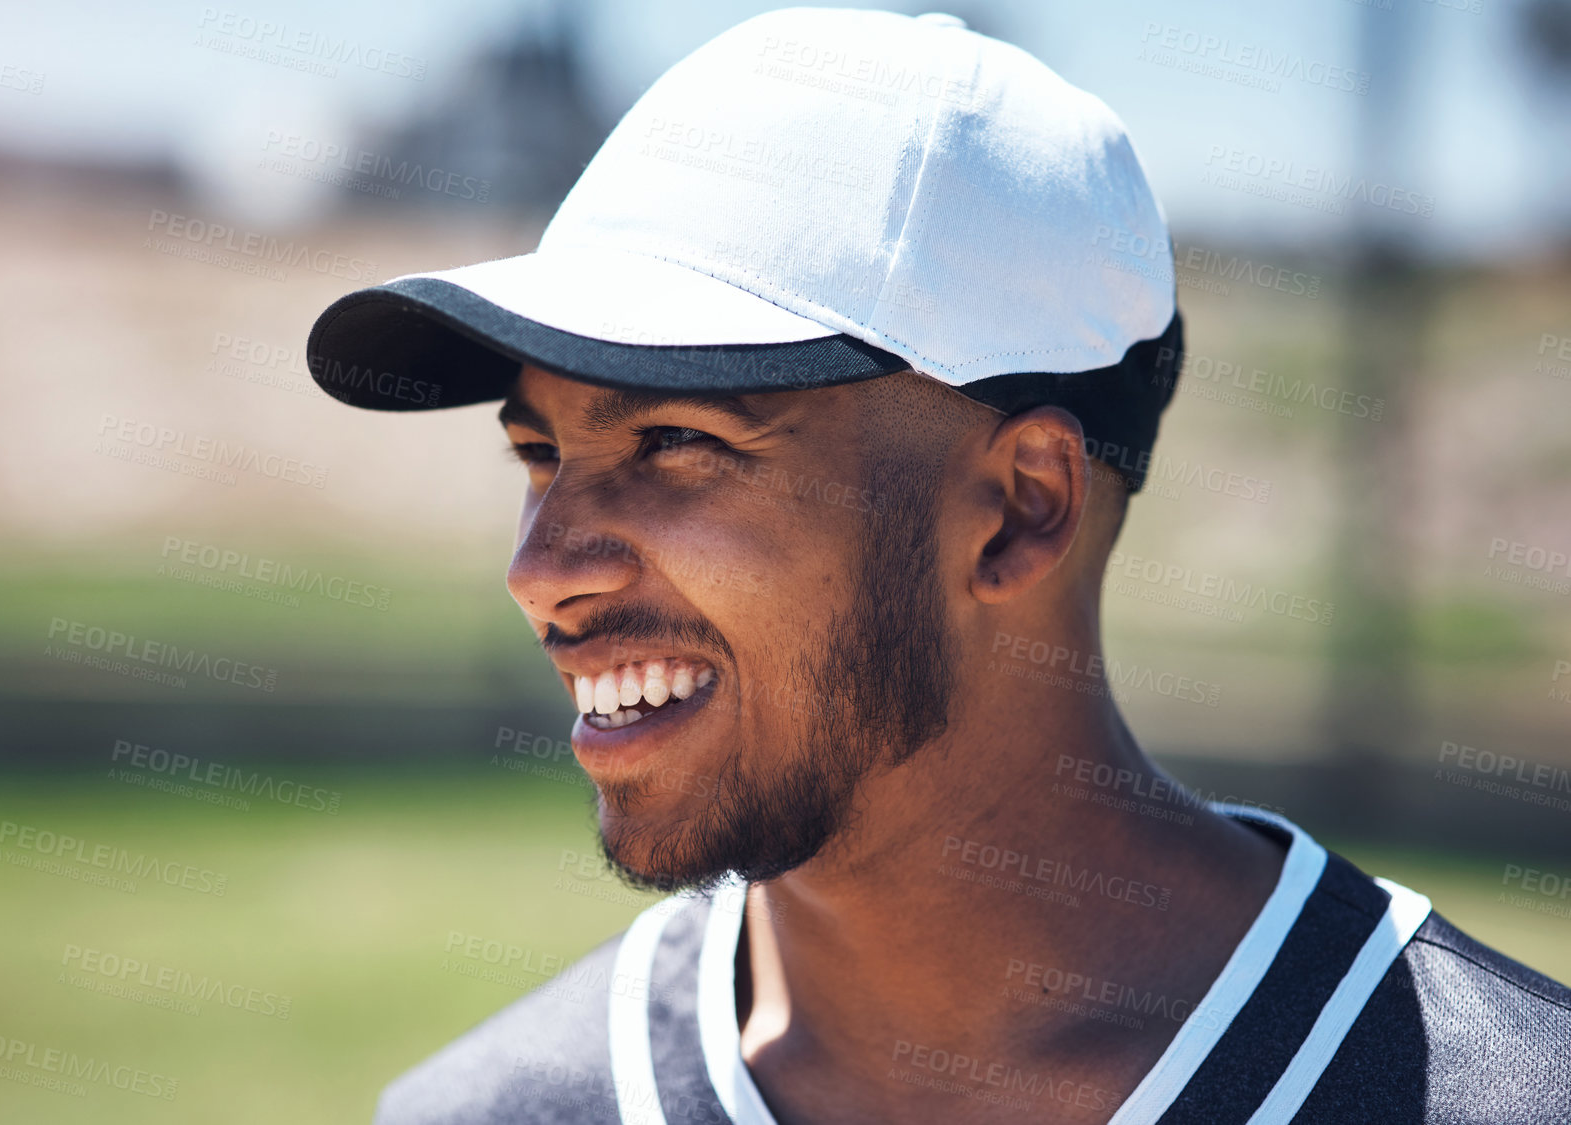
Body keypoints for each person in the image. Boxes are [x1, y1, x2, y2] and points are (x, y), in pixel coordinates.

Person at [304, 9, 1571, 1124]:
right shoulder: (494, 1110)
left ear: (1019, 509)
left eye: (675, 442)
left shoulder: (1510, 1095)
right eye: (539, 453)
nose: (541, 572)